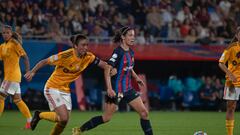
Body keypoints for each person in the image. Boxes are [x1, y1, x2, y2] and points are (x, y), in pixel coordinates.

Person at [24, 34, 112, 135]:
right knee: (64, 117)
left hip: (65, 90)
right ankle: (39, 115)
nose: (85, 48)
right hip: (53, 87)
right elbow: (44, 61)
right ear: (75, 46)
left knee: (63, 121)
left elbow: (104, 65)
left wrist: (112, 68)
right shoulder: (66, 55)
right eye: (83, 45)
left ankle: (39, 115)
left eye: (87, 45)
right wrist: (32, 72)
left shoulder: (89, 56)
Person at [72, 26, 153, 135]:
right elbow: (107, 69)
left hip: (128, 89)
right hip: (116, 90)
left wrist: (136, 78)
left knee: (144, 113)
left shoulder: (131, 52)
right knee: (106, 118)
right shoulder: (117, 52)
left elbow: (129, 67)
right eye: (130, 35)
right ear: (123, 37)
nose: (133, 37)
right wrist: (109, 88)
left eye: (134, 35)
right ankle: (78, 130)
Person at [0, 25, 32, 129]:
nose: (5, 34)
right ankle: (30, 121)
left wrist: (28, 72)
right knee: (17, 100)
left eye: (7, 33)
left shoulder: (14, 44)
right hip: (9, 76)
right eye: (4, 33)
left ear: (11, 33)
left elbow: (25, 57)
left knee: (1, 97)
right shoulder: (2, 46)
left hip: (12, 76)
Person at [219, 27, 240, 135]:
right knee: (231, 107)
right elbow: (221, 63)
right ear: (237, 35)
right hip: (232, 82)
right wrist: (230, 74)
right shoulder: (231, 47)